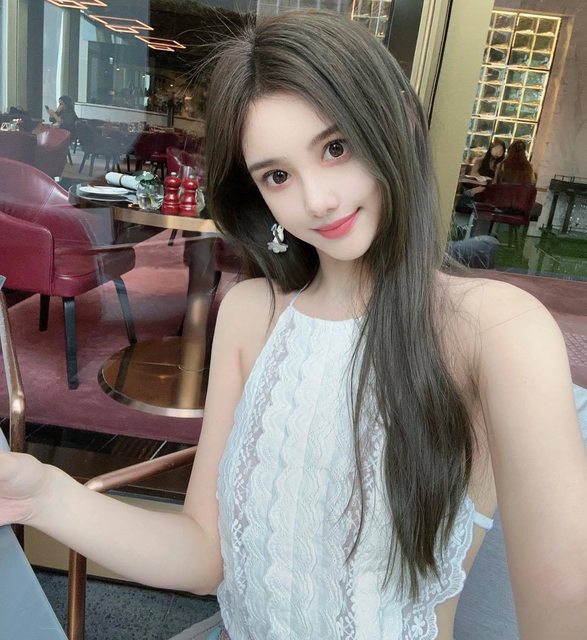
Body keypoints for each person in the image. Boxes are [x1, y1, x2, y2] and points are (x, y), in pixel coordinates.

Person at [1, 11, 586, 639]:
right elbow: (203, 556)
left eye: (336, 147)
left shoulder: (497, 330)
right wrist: (45, 495)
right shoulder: (250, 314)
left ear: (398, 124)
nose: (317, 200)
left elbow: (565, 597)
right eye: (277, 175)